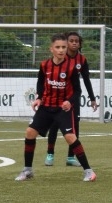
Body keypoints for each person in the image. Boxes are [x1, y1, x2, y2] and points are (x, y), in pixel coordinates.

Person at [17, 34, 96, 181]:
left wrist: (70, 102)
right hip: (46, 107)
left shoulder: (72, 68)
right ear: (51, 49)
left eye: (63, 47)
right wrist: (39, 98)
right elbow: (40, 83)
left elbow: (77, 90)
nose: (61, 50)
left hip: (62, 109)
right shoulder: (44, 65)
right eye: (58, 47)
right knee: (29, 132)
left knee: (70, 137)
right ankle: (27, 170)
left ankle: (89, 171)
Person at [45, 31, 98, 167]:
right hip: (57, 97)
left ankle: (70, 157)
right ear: (66, 43)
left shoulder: (82, 60)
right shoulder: (60, 58)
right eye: (71, 40)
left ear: (79, 44)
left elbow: (86, 80)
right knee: (54, 124)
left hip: (73, 98)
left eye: (77, 41)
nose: (74, 43)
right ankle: (50, 154)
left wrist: (92, 98)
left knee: (75, 126)